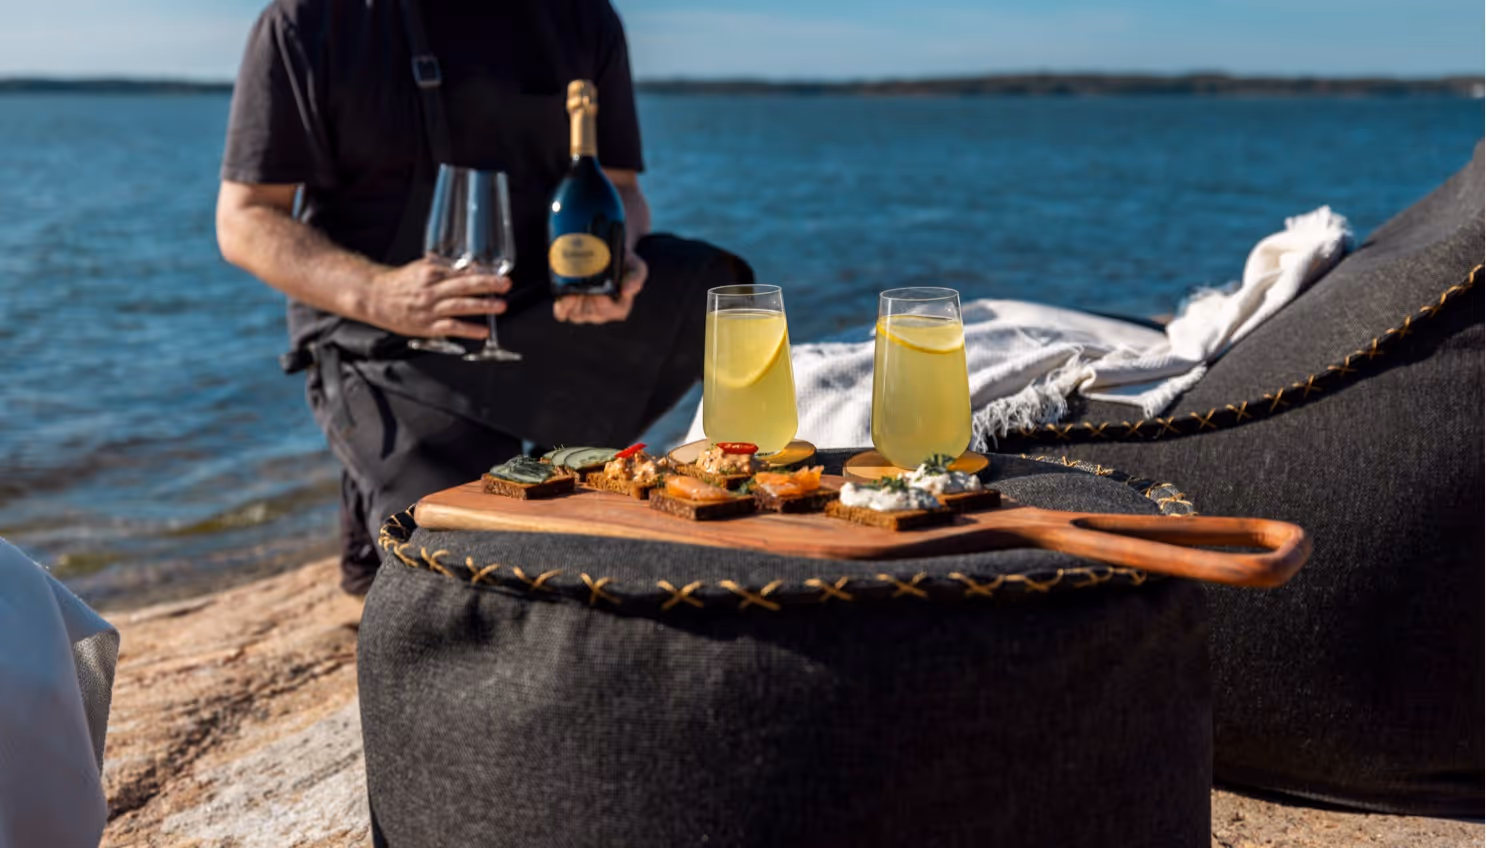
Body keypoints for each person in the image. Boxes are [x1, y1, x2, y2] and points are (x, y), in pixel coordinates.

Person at [217, 0, 750, 595]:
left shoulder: (584, 19)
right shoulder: (304, 23)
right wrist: (382, 294)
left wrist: (615, 254)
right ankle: (382, 474)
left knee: (711, 288)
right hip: (378, 335)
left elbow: (620, 188)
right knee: (468, 551)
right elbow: (245, 219)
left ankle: (562, 463)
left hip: (537, 311)